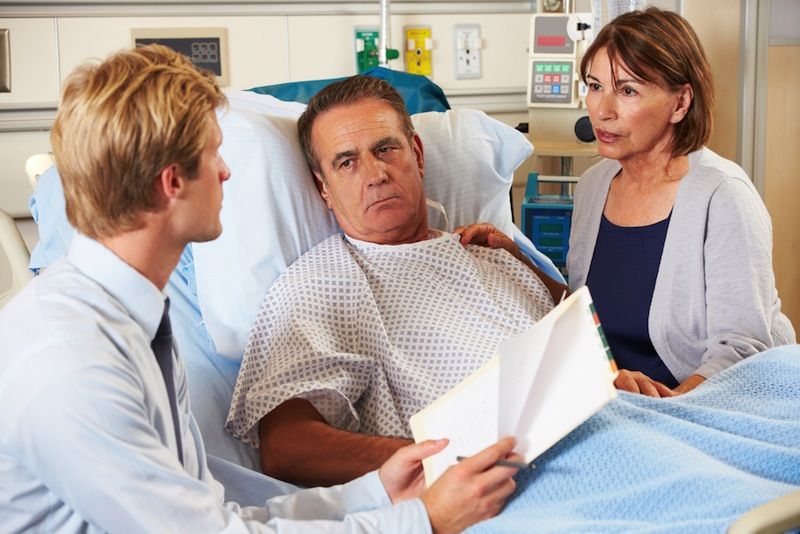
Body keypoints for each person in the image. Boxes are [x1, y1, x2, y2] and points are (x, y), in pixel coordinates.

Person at [0, 45, 525, 533]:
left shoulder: (137, 324)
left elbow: (219, 512)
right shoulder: (72, 363)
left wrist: (381, 492)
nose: (228, 172)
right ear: (171, 182)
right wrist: (422, 522)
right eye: (213, 155)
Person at [226, 75, 565, 487]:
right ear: (324, 189)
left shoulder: (487, 251)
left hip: (598, 426)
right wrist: (447, 458)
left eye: (385, 149)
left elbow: (577, 336)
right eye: (346, 162)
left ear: (417, 154)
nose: (375, 174)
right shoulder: (321, 285)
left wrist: (525, 267)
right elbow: (287, 448)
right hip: (515, 480)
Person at [566, 8, 795, 397]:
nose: (602, 111)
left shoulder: (724, 196)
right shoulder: (592, 186)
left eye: (627, 90)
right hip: (616, 402)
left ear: (680, 103)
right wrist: (516, 257)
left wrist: (671, 407)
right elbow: (579, 309)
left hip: (699, 405)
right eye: (594, 86)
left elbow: (741, 351)